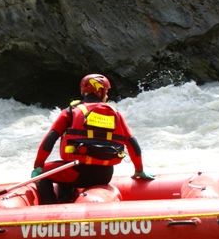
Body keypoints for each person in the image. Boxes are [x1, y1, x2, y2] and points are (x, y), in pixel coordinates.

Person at [32, 74, 153, 204]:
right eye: (106, 91)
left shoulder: (71, 112)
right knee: (64, 166)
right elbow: (132, 143)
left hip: (77, 173)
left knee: (47, 172)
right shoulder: (115, 113)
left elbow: (50, 139)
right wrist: (139, 170)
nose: (107, 95)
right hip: (105, 175)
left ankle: (49, 207)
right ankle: (65, 200)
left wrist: (38, 166)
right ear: (100, 91)